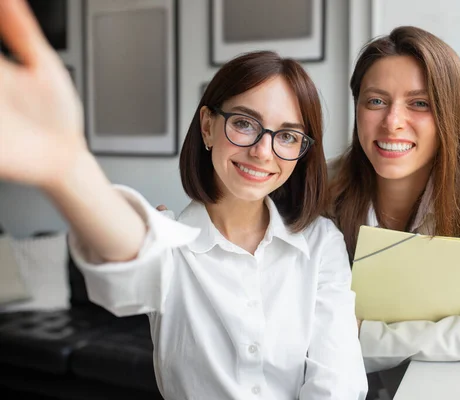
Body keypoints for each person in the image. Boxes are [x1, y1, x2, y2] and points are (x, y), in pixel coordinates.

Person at [0, 1, 368, 398]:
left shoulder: (319, 243)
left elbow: (338, 383)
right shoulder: (170, 243)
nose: (264, 152)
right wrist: (68, 167)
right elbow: (127, 264)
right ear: (208, 127)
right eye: (244, 123)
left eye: (288, 135)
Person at [329, 26, 460, 375]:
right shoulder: (324, 186)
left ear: (449, 113)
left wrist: (366, 335)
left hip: (437, 380)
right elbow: (306, 328)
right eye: (376, 101)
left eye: (420, 103)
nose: (393, 122)